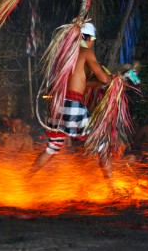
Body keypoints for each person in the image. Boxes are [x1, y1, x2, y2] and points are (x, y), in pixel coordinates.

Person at [30, 23, 121, 194]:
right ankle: (113, 190)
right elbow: (104, 80)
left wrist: (104, 81)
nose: (93, 42)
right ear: (88, 38)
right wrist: (114, 79)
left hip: (56, 106)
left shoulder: (64, 55)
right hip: (72, 104)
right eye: (92, 39)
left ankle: (26, 179)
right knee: (101, 142)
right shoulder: (86, 51)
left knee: (53, 146)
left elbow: (81, 83)